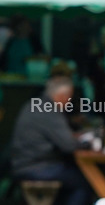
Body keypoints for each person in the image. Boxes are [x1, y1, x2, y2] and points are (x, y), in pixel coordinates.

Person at [9, 76, 92, 205]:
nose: (69, 102)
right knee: (85, 182)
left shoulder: (34, 104)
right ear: (62, 96)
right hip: (36, 167)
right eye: (69, 98)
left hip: (22, 164)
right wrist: (87, 144)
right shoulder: (50, 110)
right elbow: (68, 146)